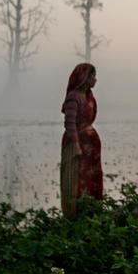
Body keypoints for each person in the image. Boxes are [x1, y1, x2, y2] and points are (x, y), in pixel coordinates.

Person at [60, 62, 103, 217]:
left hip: (91, 146)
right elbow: (70, 125)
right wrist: (77, 146)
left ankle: (92, 212)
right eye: (93, 76)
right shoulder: (73, 97)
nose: (95, 80)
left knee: (92, 177)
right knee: (75, 179)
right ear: (85, 77)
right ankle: (74, 214)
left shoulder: (90, 97)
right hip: (76, 144)